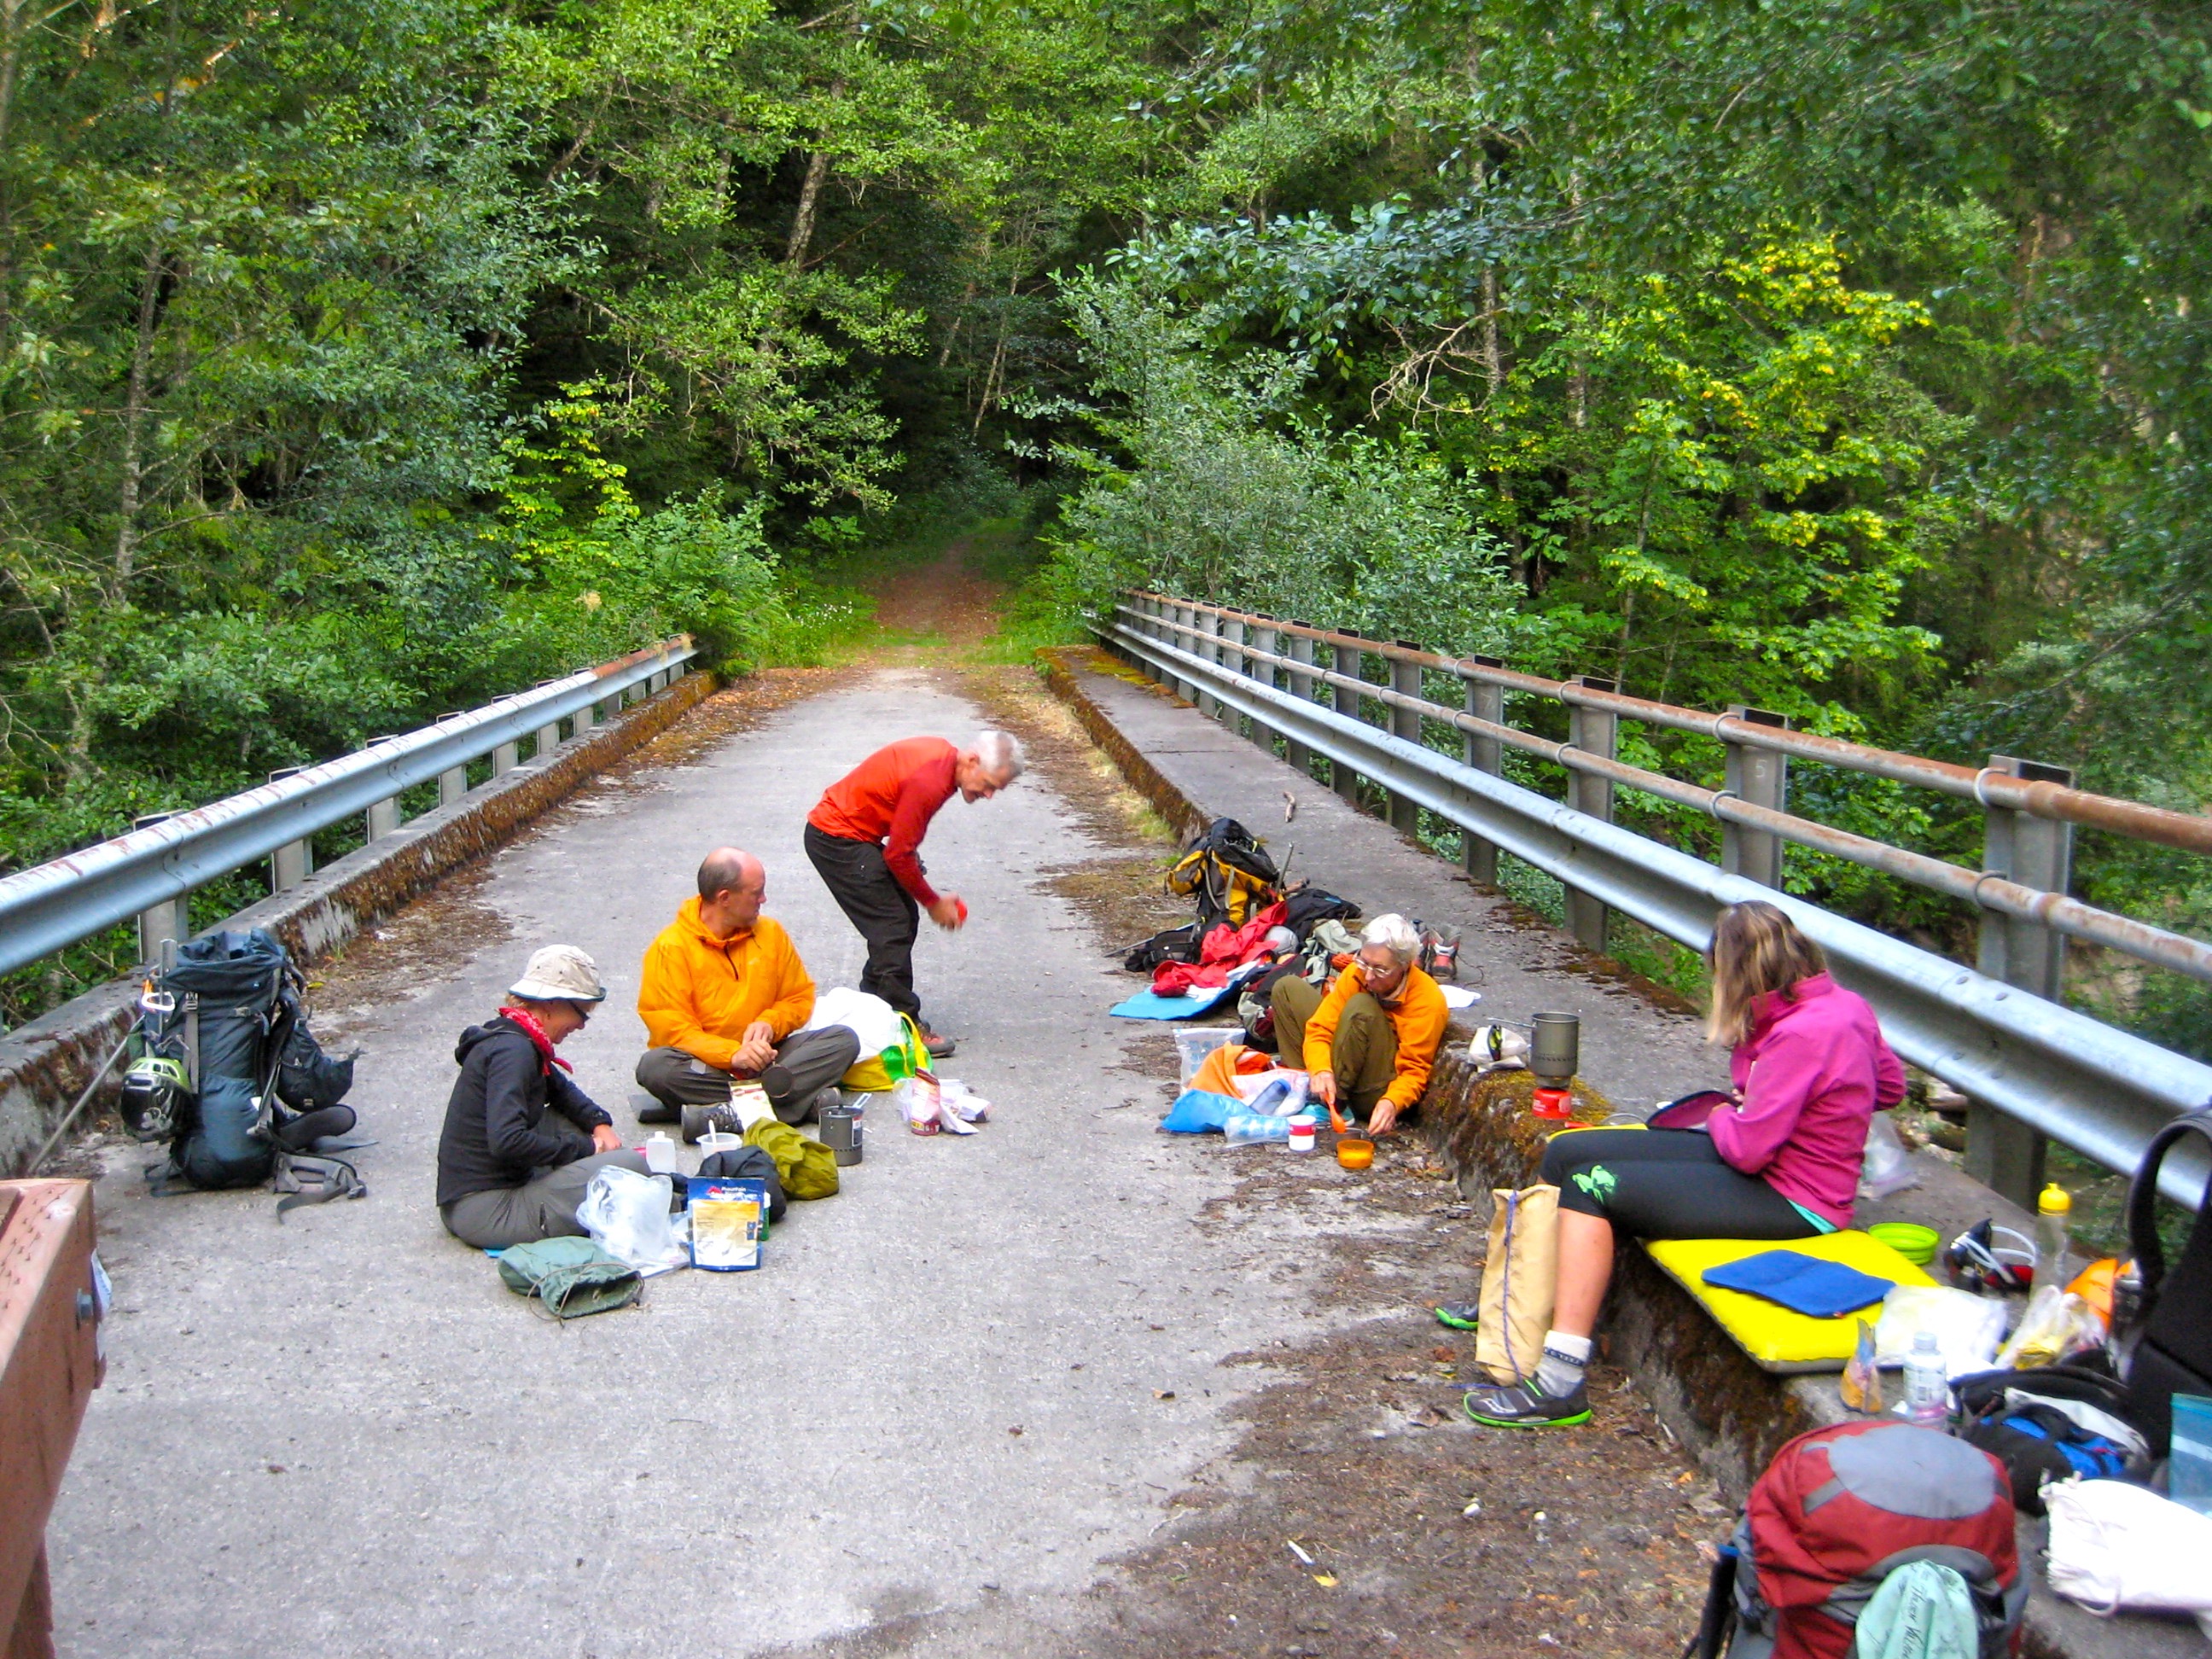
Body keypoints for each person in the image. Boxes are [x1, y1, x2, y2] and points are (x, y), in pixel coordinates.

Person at [1460, 899, 1906, 1429]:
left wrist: (1728, 1112)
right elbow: (1892, 1087)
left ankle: (1561, 1382)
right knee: (1568, 1150)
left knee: (1592, 1183)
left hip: (1796, 1197)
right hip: (1767, 1166)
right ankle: (1524, 1298)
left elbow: (1746, 1148)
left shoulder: (1801, 1033)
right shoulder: (1845, 1005)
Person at [803, 731, 1025, 1057]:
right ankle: (902, 1023)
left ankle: (871, 1007)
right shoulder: (931, 781)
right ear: (972, 761)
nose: (989, 795)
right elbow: (898, 855)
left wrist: (910, 863)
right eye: (989, 784)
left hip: (854, 835)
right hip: (836, 838)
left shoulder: (943, 759)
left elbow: (901, 825)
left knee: (901, 919)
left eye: (996, 790)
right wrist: (934, 903)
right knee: (892, 926)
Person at [436, 945, 651, 1251]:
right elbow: (507, 1141)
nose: (580, 1025)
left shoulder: (516, 1037)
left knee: (570, 1124)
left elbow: (561, 1092)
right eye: (581, 1014)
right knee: (630, 1166)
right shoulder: (514, 1053)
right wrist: (587, 1147)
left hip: (471, 1199)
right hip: (487, 1210)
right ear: (550, 1003)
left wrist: (599, 1124)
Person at [635, 847, 860, 1137]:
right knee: (655, 1068)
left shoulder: (771, 933)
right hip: (709, 1067)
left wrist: (770, 1023)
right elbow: (674, 1032)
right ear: (725, 898)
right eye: (757, 893)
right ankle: (795, 1104)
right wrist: (733, 1055)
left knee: (842, 1040)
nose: (763, 900)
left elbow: (799, 997)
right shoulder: (670, 948)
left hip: (772, 1059)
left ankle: (727, 1114)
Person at [1271, 913, 1448, 1135]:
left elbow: (1414, 1070)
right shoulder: (1358, 973)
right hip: (1344, 1059)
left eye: (1381, 969)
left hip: (1374, 1088)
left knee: (1361, 1007)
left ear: (1405, 966)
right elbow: (1320, 1028)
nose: (1370, 976)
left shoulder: (1428, 1000)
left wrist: (1392, 1102)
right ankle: (1309, 1089)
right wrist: (1321, 1070)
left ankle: (1336, 1105)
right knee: (1288, 988)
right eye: (1365, 962)